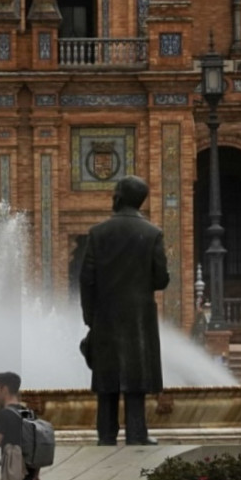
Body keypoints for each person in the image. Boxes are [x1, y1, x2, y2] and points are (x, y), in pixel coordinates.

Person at [79, 175, 170, 446]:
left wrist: (89, 316)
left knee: (107, 381)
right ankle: (137, 434)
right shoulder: (153, 233)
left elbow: (86, 278)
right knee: (136, 379)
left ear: (119, 197)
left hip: (105, 316)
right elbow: (161, 279)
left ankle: (106, 436)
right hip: (139, 318)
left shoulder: (98, 233)